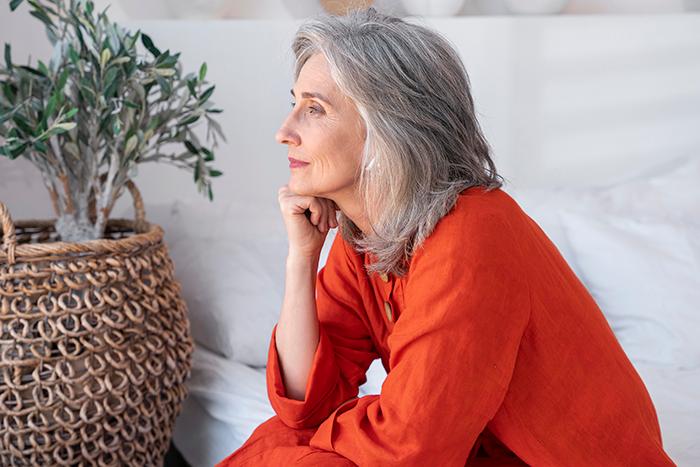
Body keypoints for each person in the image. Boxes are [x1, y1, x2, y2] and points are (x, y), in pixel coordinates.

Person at [217, 8, 676, 467]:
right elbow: (306, 405)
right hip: (469, 448)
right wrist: (302, 257)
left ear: (388, 128)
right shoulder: (364, 237)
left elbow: (411, 447)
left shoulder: (473, 230)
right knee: (283, 438)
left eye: (314, 109)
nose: (284, 132)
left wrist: (319, 441)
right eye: (293, 103)